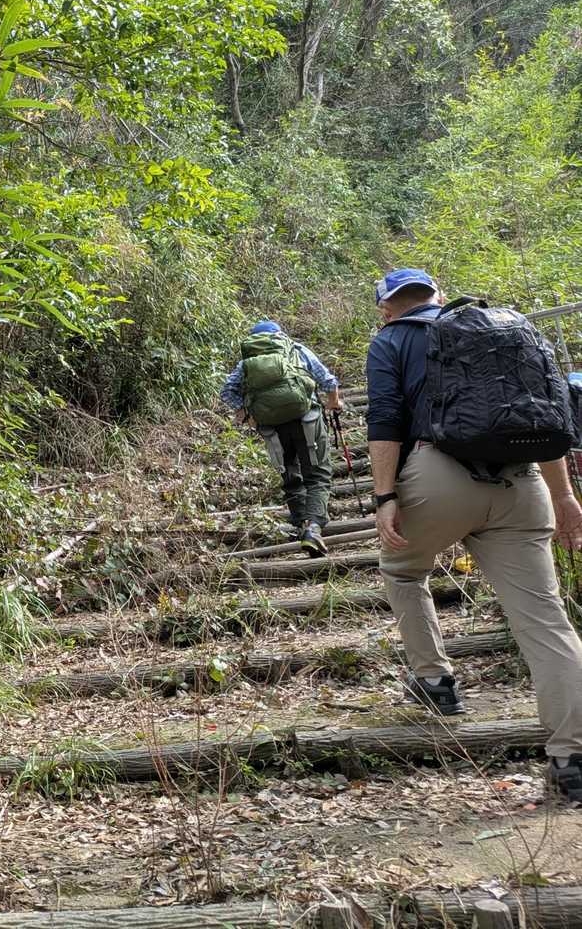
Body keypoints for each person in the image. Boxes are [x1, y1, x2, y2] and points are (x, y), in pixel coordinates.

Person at [366, 268, 582, 806]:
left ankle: (435, 682)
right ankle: (572, 759)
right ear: (439, 295)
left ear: (387, 308)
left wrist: (385, 496)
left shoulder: (391, 340)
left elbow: (386, 420)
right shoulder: (504, 330)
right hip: (521, 482)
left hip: (436, 476)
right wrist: (563, 496)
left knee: (403, 570)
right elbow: (543, 415)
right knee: (545, 619)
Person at [221, 320, 343, 556]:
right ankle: (313, 528)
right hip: (307, 420)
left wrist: (246, 415)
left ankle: (301, 526)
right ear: (280, 335)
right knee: (317, 474)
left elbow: (227, 391)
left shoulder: (247, 363)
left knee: (290, 475)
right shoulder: (296, 349)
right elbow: (328, 381)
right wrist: (334, 402)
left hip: (272, 427)